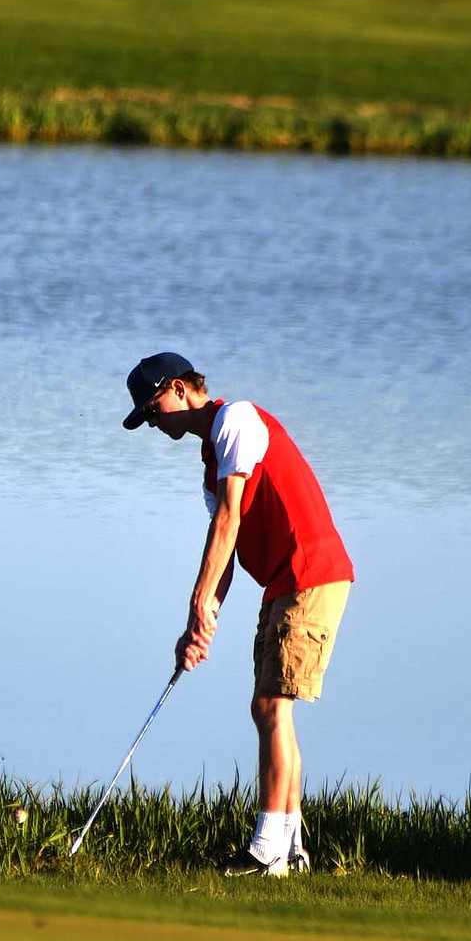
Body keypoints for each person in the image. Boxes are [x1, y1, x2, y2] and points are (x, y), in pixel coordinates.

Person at [123, 352, 353, 876]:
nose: (153, 422)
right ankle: (288, 851)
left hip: (309, 571)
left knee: (273, 706)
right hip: (284, 580)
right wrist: (201, 625)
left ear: (181, 389)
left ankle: (268, 844)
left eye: (153, 407)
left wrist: (197, 603)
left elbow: (229, 521)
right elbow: (222, 552)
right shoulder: (213, 464)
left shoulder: (236, 421)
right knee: (270, 709)